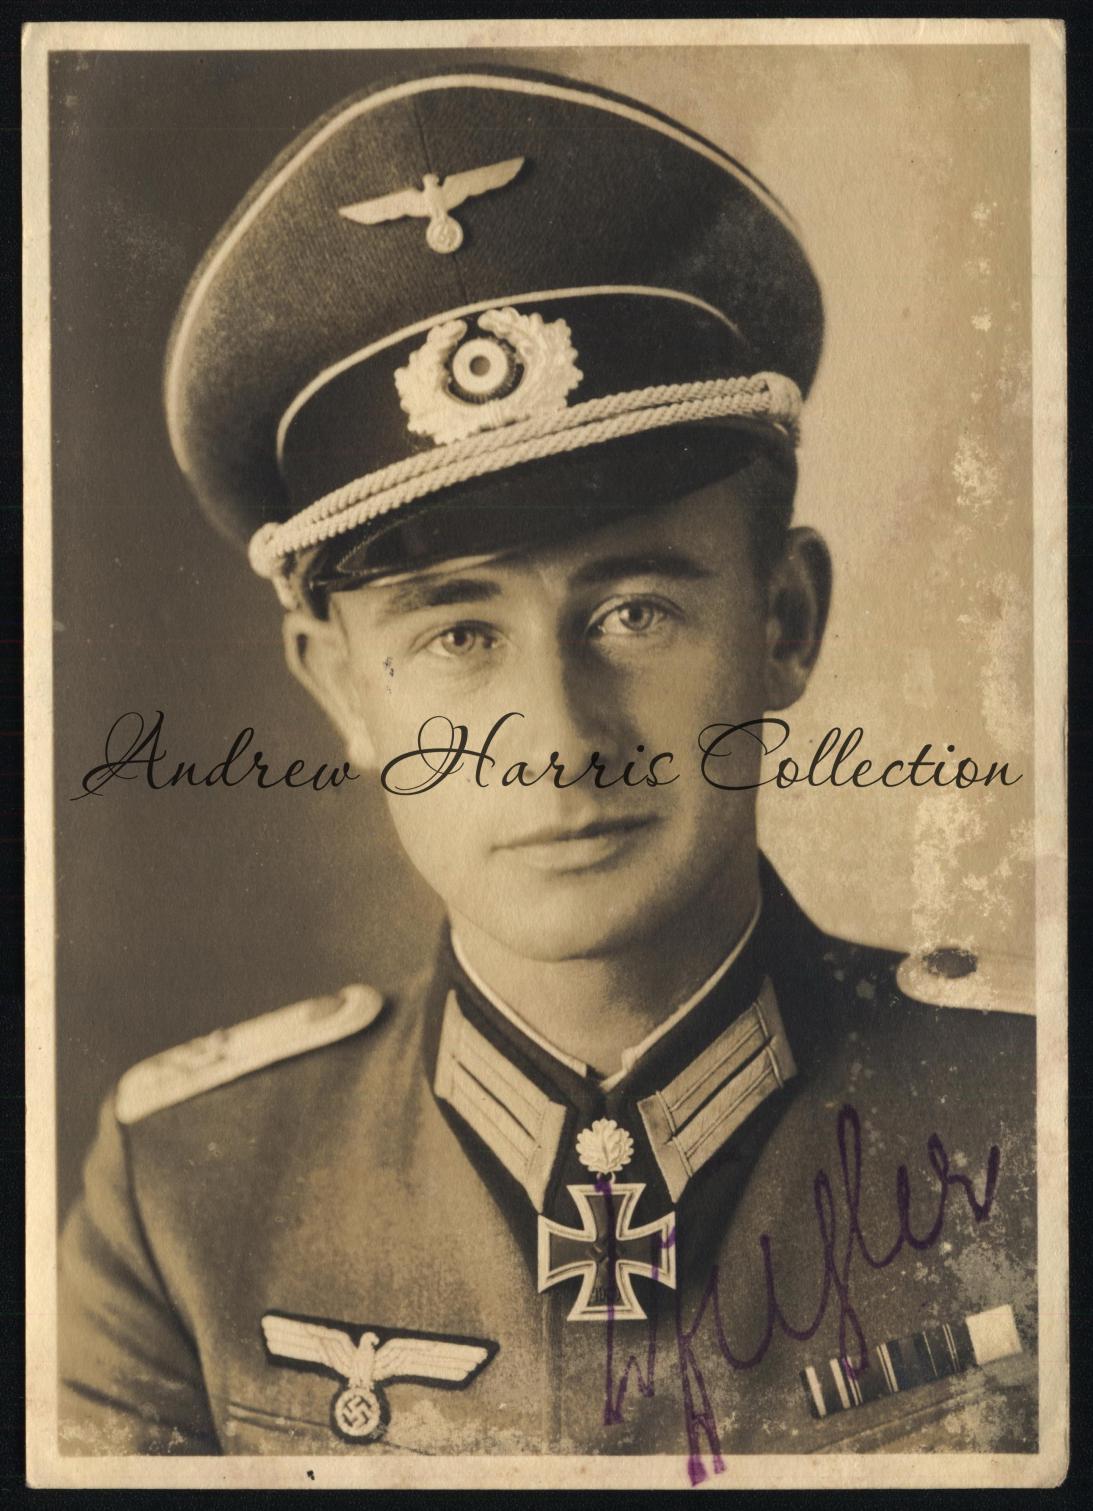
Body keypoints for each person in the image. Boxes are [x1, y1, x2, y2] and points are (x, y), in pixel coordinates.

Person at [58, 65, 1036, 1468]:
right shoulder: (185, 1197)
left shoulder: (1037, 1117)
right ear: (339, 685)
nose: (561, 744)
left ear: (784, 624)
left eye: (635, 613)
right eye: (456, 634)